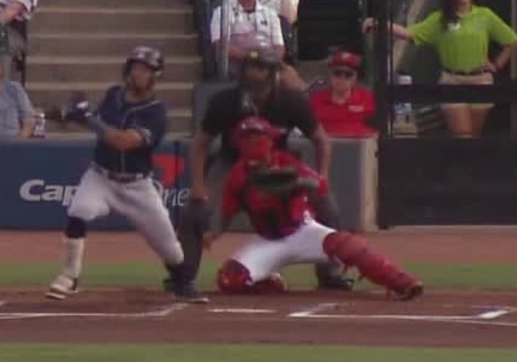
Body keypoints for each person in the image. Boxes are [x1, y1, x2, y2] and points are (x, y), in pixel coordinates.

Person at [180, 47, 355, 291]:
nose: (253, 74)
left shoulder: (291, 101)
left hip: (278, 164)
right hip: (232, 161)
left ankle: (329, 273)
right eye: (250, 68)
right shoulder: (225, 101)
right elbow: (200, 142)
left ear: (273, 73)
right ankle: (184, 276)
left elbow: (321, 140)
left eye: (260, 69)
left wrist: (322, 175)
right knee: (195, 210)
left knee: (327, 204)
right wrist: (198, 185)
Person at [47, 47, 206, 303]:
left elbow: (122, 141)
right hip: (100, 176)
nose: (138, 74)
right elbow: (99, 123)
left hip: (136, 185)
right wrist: (66, 115)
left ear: (156, 75)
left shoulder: (156, 113)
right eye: (135, 68)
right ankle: (69, 276)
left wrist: (86, 117)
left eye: (145, 70)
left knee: (170, 249)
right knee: (79, 211)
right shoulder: (113, 95)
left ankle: (181, 281)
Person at [207, 116, 421, 299]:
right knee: (231, 279)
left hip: (302, 230)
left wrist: (297, 184)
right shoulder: (238, 176)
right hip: (268, 240)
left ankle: (401, 281)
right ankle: (270, 282)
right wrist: (213, 233)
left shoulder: (287, 163)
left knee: (348, 245)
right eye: (250, 139)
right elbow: (226, 212)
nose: (258, 143)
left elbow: (320, 185)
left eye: (260, 138)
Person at [364, 0, 517, 138]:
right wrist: (381, 24)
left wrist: (496, 65)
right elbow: (410, 34)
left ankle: (470, 164)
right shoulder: (440, 18)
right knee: (462, 136)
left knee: (475, 137)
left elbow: (512, 41)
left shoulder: (485, 15)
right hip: (452, 80)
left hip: (480, 79)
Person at [309, 50, 376, 138]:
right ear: (330, 75)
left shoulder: (369, 99)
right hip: (327, 147)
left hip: (359, 148)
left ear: (355, 77)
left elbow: (380, 129)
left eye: (348, 74)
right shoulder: (315, 100)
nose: (342, 78)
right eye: (337, 73)